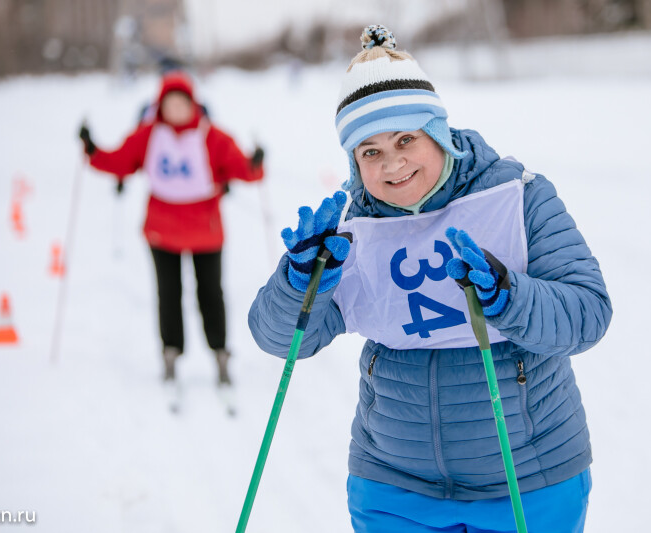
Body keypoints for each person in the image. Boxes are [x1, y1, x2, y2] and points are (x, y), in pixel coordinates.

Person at [248, 25, 611, 533]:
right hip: (394, 486)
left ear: (436, 131)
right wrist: (299, 282)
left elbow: (588, 314)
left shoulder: (517, 197)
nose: (393, 163)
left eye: (405, 139)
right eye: (369, 152)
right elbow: (279, 339)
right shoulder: (353, 231)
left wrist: (509, 295)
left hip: (528, 479)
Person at [80, 70, 265, 386]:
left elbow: (243, 169)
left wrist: (255, 162)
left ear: (193, 104)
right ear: (160, 106)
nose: (176, 110)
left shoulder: (212, 136)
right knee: (168, 293)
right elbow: (119, 161)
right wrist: (92, 150)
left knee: (210, 294)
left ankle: (220, 352)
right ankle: (170, 352)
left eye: (182, 103)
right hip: (162, 232)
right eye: (170, 104)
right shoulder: (148, 135)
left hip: (205, 232)